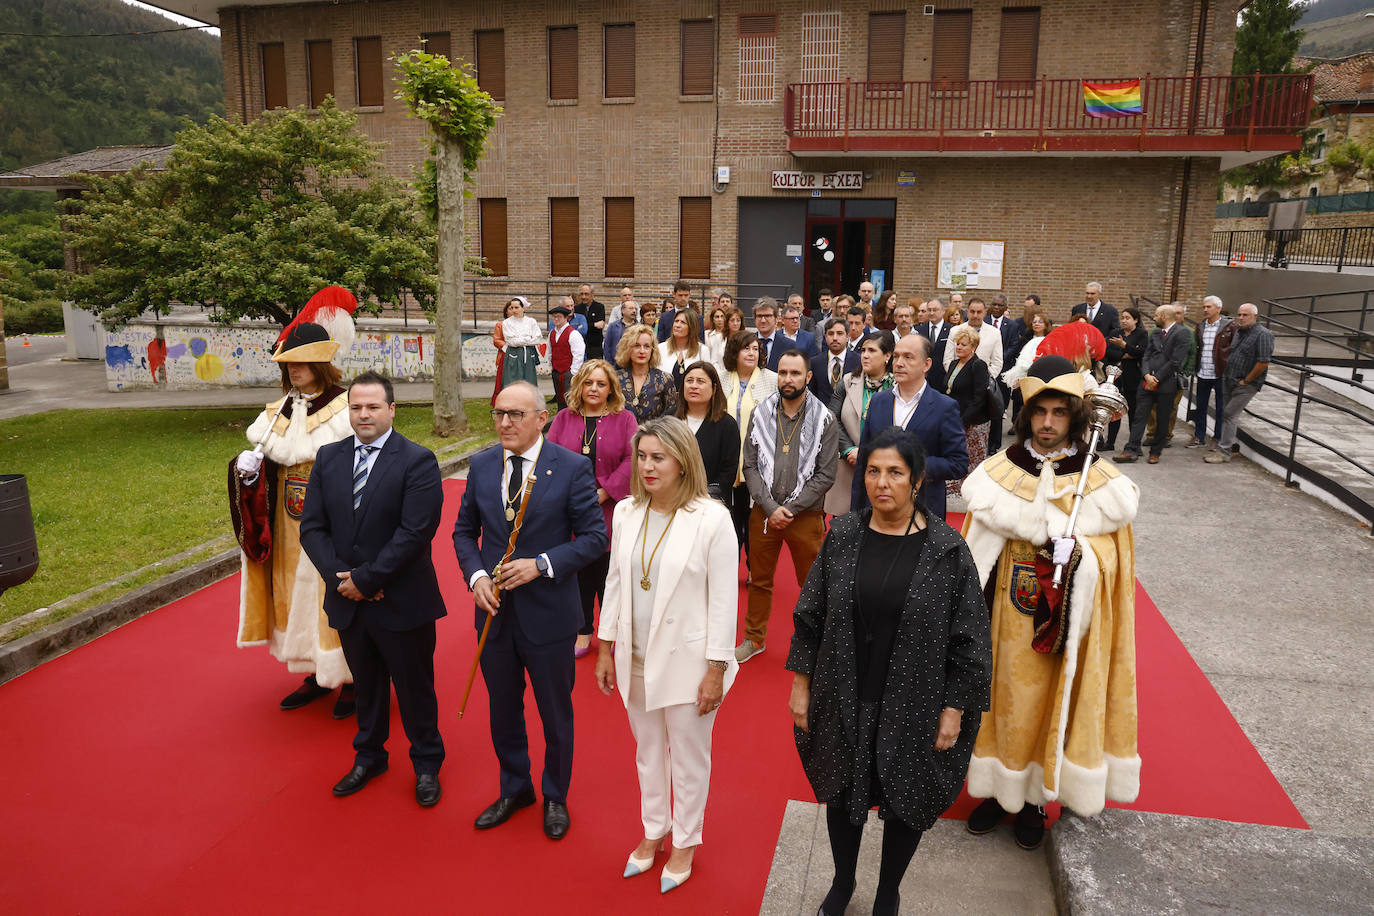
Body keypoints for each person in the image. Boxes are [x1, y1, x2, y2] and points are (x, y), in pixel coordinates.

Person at [788, 426, 992, 916]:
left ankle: (888, 892)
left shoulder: (947, 549)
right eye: (874, 471)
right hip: (843, 688)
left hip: (915, 698)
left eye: (895, 473)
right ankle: (842, 883)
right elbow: (809, 615)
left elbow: (971, 640)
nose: (882, 483)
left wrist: (954, 709)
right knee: (842, 791)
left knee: (907, 800)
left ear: (917, 481)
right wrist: (801, 686)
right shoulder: (844, 536)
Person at [962, 355, 1140, 847]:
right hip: (1001, 619)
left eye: (1059, 413)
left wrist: (1080, 554)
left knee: (1048, 704)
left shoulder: (1097, 482)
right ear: (1026, 415)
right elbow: (973, 551)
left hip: (1059, 622)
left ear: (1075, 418)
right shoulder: (1001, 472)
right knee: (998, 704)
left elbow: (1114, 563)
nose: (1047, 423)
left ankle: (1035, 802)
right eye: (1039, 412)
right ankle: (998, 792)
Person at [452, 382, 609, 840]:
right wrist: (476, 577)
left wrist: (542, 565)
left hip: (549, 616)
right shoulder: (481, 464)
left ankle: (555, 794)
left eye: (516, 415)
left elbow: (594, 539)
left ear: (542, 419)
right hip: (495, 614)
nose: (505, 423)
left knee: (554, 711)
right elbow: (464, 533)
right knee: (503, 708)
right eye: (499, 413)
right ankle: (515, 787)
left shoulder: (573, 468)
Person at [595, 417, 740, 894]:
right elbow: (615, 582)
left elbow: (724, 600)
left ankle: (685, 842)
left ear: (683, 461)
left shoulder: (712, 518)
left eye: (658, 457)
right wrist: (605, 644)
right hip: (633, 656)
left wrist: (716, 669)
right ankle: (653, 829)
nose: (647, 466)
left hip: (689, 660)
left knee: (689, 758)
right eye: (642, 456)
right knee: (647, 751)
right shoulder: (626, 513)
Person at [299, 371, 447, 806]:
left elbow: (415, 531)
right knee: (367, 685)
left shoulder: (418, 460)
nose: (363, 414)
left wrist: (368, 580)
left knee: (414, 688)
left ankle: (426, 764)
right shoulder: (328, 458)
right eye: (356, 407)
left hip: (403, 601)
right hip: (349, 602)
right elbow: (312, 528)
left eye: (373, 407)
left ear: (391, 410)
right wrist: (344, 580)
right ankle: (369, 757)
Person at [231, 289, 356, 715]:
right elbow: (268, 466)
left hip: (335, 523)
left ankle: (354, 676)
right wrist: (248, 471)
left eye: (301, 362)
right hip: (286, 525)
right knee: (295, 596)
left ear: (320, 362)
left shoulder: (348, 408)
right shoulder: (281, 408)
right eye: (288, 364)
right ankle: (315, 671)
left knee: (335, 594)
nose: (294, 370)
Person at [737, 349, 839, 663]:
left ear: (808, 377)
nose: (788, 379)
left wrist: (791, 509)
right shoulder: (761, 411)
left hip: (805, 516)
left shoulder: (824, 418)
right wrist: (770, 507)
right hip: (764, 513)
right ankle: (754, 639)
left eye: (795, 373)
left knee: (811, 584)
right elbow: (750, 466)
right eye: (783, 373)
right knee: (760, 581)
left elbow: (826, 474)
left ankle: (814, 641)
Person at [546, 360, 638, 658]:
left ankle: (612, 633)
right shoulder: (563, 418)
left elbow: (631, 459)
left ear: (611, 387)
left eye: (601, 383)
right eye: (588, 383)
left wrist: (604, 492)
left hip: (612, 509)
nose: (594, 389)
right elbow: (551, 459)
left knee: (610, 574)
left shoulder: (625, 419)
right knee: (580, 574)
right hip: (570, 512)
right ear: (579, 386)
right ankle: (583, 629)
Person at [853, 334, 968, 519]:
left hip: (923, 510)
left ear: (926, 364)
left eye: (908, 357)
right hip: (878, 510)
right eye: (896, 356)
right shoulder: (879, 401)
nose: (898, 363)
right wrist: (857, 512)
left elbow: (958, 463)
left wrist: (914, 466)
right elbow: (863, 461)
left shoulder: (944, 407)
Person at [722, 330, 778, 554]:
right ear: (735, 351)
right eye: (746, 348)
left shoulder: (771, 378)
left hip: (758, 461)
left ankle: (754, 565)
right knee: (729, 516)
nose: (752, 353)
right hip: (726, 459)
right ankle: (729, 563)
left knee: (754, 516)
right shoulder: (721, 376)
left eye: (756, 349)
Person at [826, 330, 894, 517]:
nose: (865, 355)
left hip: (885, 465)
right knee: (849, 526)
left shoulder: (897, 386)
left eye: (872, 351)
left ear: (887, 356)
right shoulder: (848, 381)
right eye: (863, 350)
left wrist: (867, 453)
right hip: (850, 464)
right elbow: (832, 417)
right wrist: (849, 449)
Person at [1117, 303, 1189, 465]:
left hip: (1166, 384)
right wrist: (1147, 375)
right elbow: (1147, 356)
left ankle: (1155, 452)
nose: (1154, 318)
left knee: (1162, 419)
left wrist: (1156, 378)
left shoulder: (1182, 333)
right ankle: (1131, 449)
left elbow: (1175, 361)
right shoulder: (1155, 333)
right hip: (1146, 382)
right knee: (1139, 416)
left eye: (1156, 315)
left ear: (1164, 316)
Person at [1205, 303, 1274, 464]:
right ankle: (1224, 446)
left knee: (1229, 414)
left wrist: (1247, 380)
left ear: (1255, 317)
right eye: (1240, 314)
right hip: (1229, 379)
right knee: (1224, 413)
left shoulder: (1263, 334)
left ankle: (1224, 451)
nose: (1241, 318)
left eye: (1245, 315)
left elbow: (1263, 362)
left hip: (1245, 384)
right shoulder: (1239, 331)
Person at [676, 361, 741, 507]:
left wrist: (699, 497)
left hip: (709, 505)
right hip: (671, 501)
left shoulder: (727, 425)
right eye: (689, 380)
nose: (694, 386)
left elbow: (728, 473)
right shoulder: (669, 420)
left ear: (714, 388)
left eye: (700, 381)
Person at [944, 325, 993, 500]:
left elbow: (978, 397)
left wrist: (964, 420)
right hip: (955, 418)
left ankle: (972, 491)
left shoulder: (978, 365)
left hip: (974, 421)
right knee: (957, 453)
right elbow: (948, 390)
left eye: (963, 345)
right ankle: (957, 487)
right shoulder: (953, 363)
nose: (959, 347)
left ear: (973, 347)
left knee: (973, 458)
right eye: (957, 344)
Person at [1188, 295, 1233, 449]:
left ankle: (1218, 437)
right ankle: (1199, 436)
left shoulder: (1229, 327)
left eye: (1209, 307)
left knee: (1221, 408)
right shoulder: (1201, 327)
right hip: (1203, 373)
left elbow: (1233, 349)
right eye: (1204, 307)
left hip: (1221, 373)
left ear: (1218, 308)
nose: (1205, 309)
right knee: (1201, 406)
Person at [1105, 306, 1149, 452]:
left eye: (1127, 318)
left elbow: (1141, 352)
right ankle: (1109, 442)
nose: (1124, 320)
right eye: (1122, 317)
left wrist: (1124, 346)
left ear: (1136, 320)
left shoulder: (1142, 334)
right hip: (1116, 378)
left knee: (1133, 412)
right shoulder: (1115, 332)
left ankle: (1134, 445)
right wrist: (1125, 354)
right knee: (1114, 411)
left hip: (1133, 378)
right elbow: (1108, 351)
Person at [615, 324, 679, 423]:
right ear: (627, 348)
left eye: (647, 346)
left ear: (652, 350)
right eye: (636, 346)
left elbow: (671, 418)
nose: (642, 351)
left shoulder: (664, 379)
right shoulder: (615, 378)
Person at [1003, 308, 1054, 428]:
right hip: (1022, 375)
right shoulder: (1025, 339)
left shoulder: (1049, 340)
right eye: (1034, 321)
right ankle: (1017, 423)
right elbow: (1017, 356)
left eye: (1040, 322)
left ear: (1046, 325)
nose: (1036, 324)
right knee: (1019, 398)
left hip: (1039, 374)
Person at [1069, 282, 1123, 368]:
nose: (1089, 296)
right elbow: (1071, 329)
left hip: (1101, 357)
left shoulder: (1110, 311)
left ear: (1099, 294)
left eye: (1092, 294)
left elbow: (1115, 331)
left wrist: (1100, 345)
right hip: (1080, 356)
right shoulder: (1077, 309)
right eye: (1087, 293)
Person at [809, 316, 859, 407]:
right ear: (825, 337)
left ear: (847, 336)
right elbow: (812, 392)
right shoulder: (815, 362)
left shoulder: (858, 361)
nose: (835, 338)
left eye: (839, 333)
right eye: (831, 334)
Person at [548, 301, 586, 410]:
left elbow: (578, 354)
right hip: (556, 371)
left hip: (568, 373)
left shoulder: (573, 334)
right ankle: (561, 419)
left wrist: (573, 372)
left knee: (570, 399)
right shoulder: (552, 333)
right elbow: (550, 352)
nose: (556, 319)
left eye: (559, 317)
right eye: (554, 317)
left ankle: (573, 419)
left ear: (566, 318)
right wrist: (551, 367)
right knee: (559, 399)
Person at [501, 296, 542, 388]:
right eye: (512, 308)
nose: (514, 310)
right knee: (512, 382)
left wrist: (519, 339)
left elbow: (537, 339)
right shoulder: (507, 323)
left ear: (523, 308)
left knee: (529, 382)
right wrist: (528, 338)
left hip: (528, 355)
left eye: (517, 307)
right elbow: (511, 342)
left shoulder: (531, 321)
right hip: (513, 355)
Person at [658, 307, 704, 388]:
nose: (677, 325)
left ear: (692, 327)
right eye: (676, 321)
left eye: (683, 322)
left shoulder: (702, 350)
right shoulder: (660, 348)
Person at [753, 297, 795, 371]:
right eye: (759, 316)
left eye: (767, 316)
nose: (763, 320)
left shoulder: (789, 346)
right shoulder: (745, 343)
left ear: (776, 319)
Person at [602, 297, 638, 366]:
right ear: (623, 310)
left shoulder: (639, 327)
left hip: (633, 365)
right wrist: (610, 365)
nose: (634, 311)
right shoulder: (613, 326)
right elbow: (607, 346)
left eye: (635, 309)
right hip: (616, 365)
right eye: (631, 308)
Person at [576, 283, 607, 359]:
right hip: (580, 346)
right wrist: (594, 325)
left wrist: (584, 326)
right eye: (582, 294)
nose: (583, 297)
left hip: (595, 347)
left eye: (586, 294)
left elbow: (600, 326)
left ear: (592, 294)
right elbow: (576, 328)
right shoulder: (577, 309)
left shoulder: (599, 307)